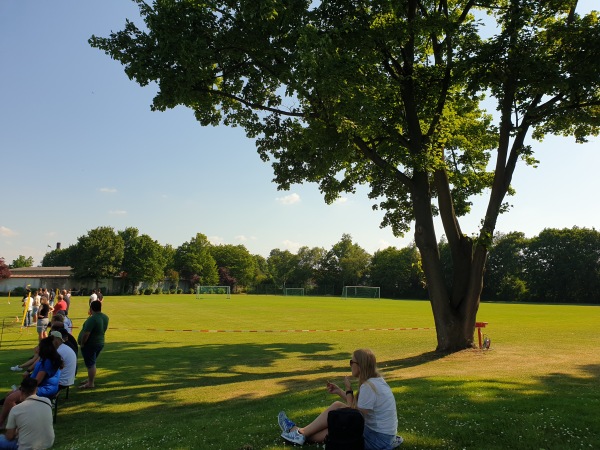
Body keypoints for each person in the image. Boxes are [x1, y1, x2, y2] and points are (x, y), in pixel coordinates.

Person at [278, 349, 401, 450]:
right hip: (384, 437)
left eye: (352, 362)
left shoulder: (369, 387)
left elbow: (353, 416)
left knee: (338, 409)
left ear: (359, 365)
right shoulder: (376, 382)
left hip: (378, 440)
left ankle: (300, 433)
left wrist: (348, 389)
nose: (351, 365)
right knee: (335, 425)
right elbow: (356, 408)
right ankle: (299, 432)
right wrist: (340, 391)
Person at [0, 337, 63, 428]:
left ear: (44, 349)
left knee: (11, 398)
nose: (37, 347)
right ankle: (13, 422)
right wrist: (28, 373)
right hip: (36, 385)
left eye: (39, 346)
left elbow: (36, 382)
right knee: (10, 394)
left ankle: (5, 423)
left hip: (45, 388)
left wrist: (22, 388)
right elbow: (34, 368)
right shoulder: (44, 358)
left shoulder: (47, 362)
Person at [0, 377, 55, 450]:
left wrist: (15, 432)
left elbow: (10, 437)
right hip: (47, 443)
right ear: (36, 389)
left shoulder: (16, 409)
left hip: (27, 447)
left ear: (21, 391)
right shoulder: (47, 401)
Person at [78, 300, 109, 389]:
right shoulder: (105, 317)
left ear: (91, 308)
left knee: (90, 364)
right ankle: (90, 379)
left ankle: (90, 383)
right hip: (100, 342)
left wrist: (83, 343)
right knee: (92, 362)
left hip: (91, 344)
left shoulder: (92, 319)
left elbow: (86, 333)